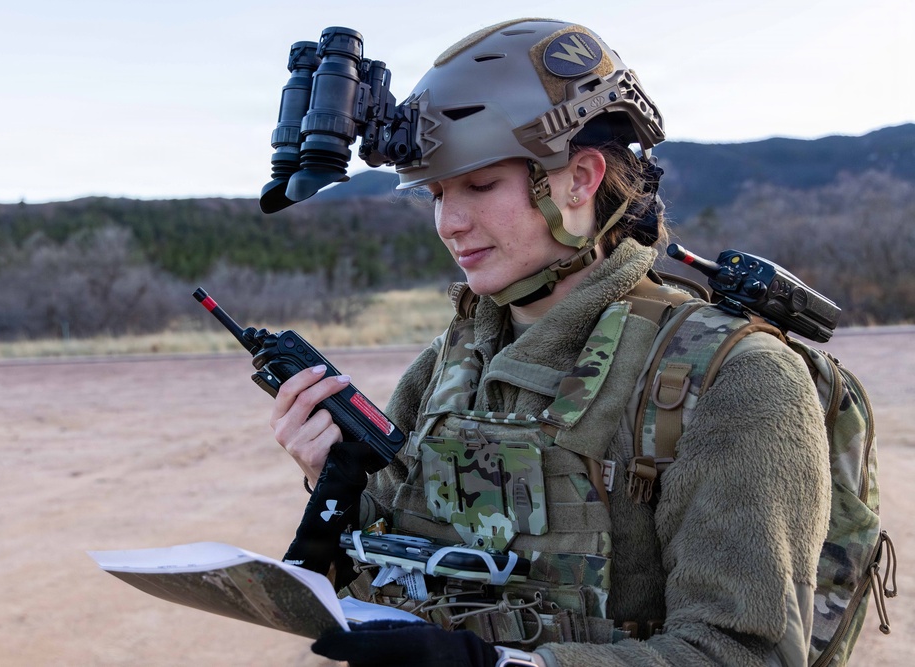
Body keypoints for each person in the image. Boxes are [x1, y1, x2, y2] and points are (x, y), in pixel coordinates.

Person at [269, 18, 831, 667]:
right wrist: (330, 479)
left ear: (579, 179)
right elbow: (397, 552)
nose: (450, 223)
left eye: (480, 185)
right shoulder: (452, 359)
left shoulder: (734, 375)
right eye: (437, 193)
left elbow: (745, 651)